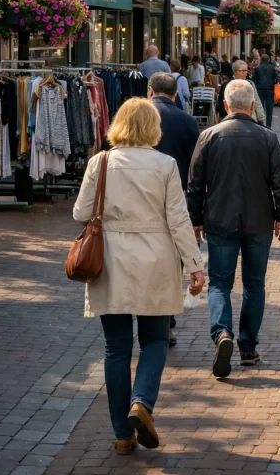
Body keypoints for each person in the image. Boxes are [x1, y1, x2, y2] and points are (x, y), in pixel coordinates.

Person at [72, 98, 205, 452]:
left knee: (116, 349)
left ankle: (121, 435)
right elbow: (178, 220)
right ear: (153, 127)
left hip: (110, 263)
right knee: (156, 341)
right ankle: (141, 402)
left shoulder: (100, 162)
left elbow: (80, 212)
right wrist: (195, 264)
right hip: (155, 262)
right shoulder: (164, 165)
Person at [188, 80, 280, 376]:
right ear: (250, 106)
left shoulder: (209, 136)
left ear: (225, 105)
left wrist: (194, 219)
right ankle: (248, 347)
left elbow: (195, 184)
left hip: (220, 220)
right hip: (259, 221)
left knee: (220, 283)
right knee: (254, 284)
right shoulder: (267, 137)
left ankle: (222, 333)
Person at [148, 73, 201, 347]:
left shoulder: (136, 116)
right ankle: (164, 320)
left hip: (141, 195)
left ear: (150, 91)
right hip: (176, 196)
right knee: (171, 259)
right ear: (175, 94)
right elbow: (197, 166)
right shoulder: (187, 120)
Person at [220, 59, 266, 124]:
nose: (246, 73)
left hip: (250, 119)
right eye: (243, 71)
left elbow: (257, 100)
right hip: (231, 119)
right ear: (235, 71)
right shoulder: (227, 84)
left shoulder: (250, 83)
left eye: (246, 70)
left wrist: (261, 117)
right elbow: (222, 102)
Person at [253, 54, 278, 129]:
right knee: (269, 110)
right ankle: (268, 126)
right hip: (270, 91)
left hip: (260, 90)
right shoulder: (272, 68)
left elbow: (254, 79)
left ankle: (260, 125)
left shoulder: (257, 68)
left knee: (260, 109)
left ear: (261, 60)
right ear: (268, 60)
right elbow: (276, 78)